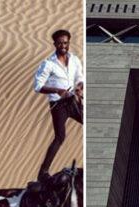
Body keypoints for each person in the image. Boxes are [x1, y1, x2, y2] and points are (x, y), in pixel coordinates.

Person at [33, 29, 83, 182]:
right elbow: (38, 86)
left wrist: (80, 86)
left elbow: (79, 77)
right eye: (60, 43)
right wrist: (57, 90)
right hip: (58, 105)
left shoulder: (74, 59)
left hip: (73, 101)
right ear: (54, 44)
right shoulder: (48, 64)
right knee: (60, 137)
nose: (63, 45)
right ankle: (43, 172)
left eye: (66, 42)